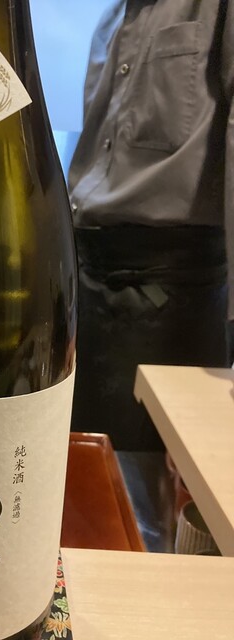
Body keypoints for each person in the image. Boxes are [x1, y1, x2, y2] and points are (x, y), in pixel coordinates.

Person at [68, 0, 234, 451]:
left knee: (141, 472)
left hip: (172, 293)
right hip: (86, 275)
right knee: (75, 457)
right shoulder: (113, 18)